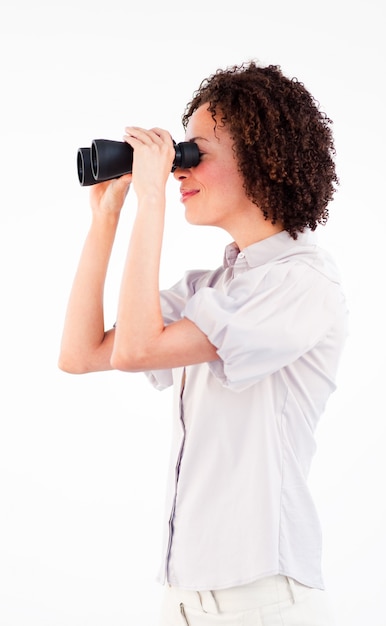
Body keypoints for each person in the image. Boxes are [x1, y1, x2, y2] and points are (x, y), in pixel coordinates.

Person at [58, 61, 348, 625]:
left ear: (264, 161)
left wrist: (153, 202)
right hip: (183, 601)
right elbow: (82, 353)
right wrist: (106, 219)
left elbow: (138, 349)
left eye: (194, 153)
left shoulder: (301, 283)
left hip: (262, 602)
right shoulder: (211, 289)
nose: (177, 170)